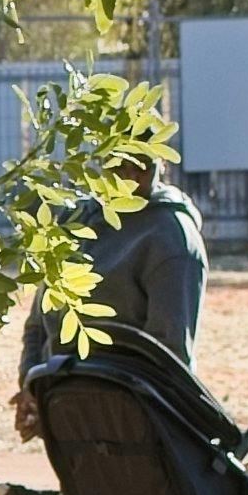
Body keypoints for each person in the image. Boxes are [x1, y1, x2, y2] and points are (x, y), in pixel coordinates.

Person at [25, 161, 207, 382]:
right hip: (57, 390)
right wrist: (30, 382)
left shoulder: (171, 238)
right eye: (118, 166)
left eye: (143, 167)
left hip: (129, 396)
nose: (129, 178)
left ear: (162, 164)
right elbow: (38, 321)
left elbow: (169, 356)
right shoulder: (76, 218)